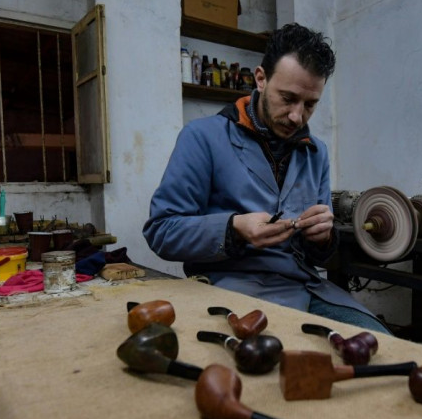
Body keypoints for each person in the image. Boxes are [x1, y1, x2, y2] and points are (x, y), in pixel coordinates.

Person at [143, 23, 390, 334]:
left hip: (306, 286)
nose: (297, 116)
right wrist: (234, 229)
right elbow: (161, 231)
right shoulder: (202, 137)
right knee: (268, 360)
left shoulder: (316, 153)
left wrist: (323, 236)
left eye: (310, 104)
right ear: (260, 79)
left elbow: (321, 256)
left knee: (382, 343)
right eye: (288, 98)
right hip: (230, 287)